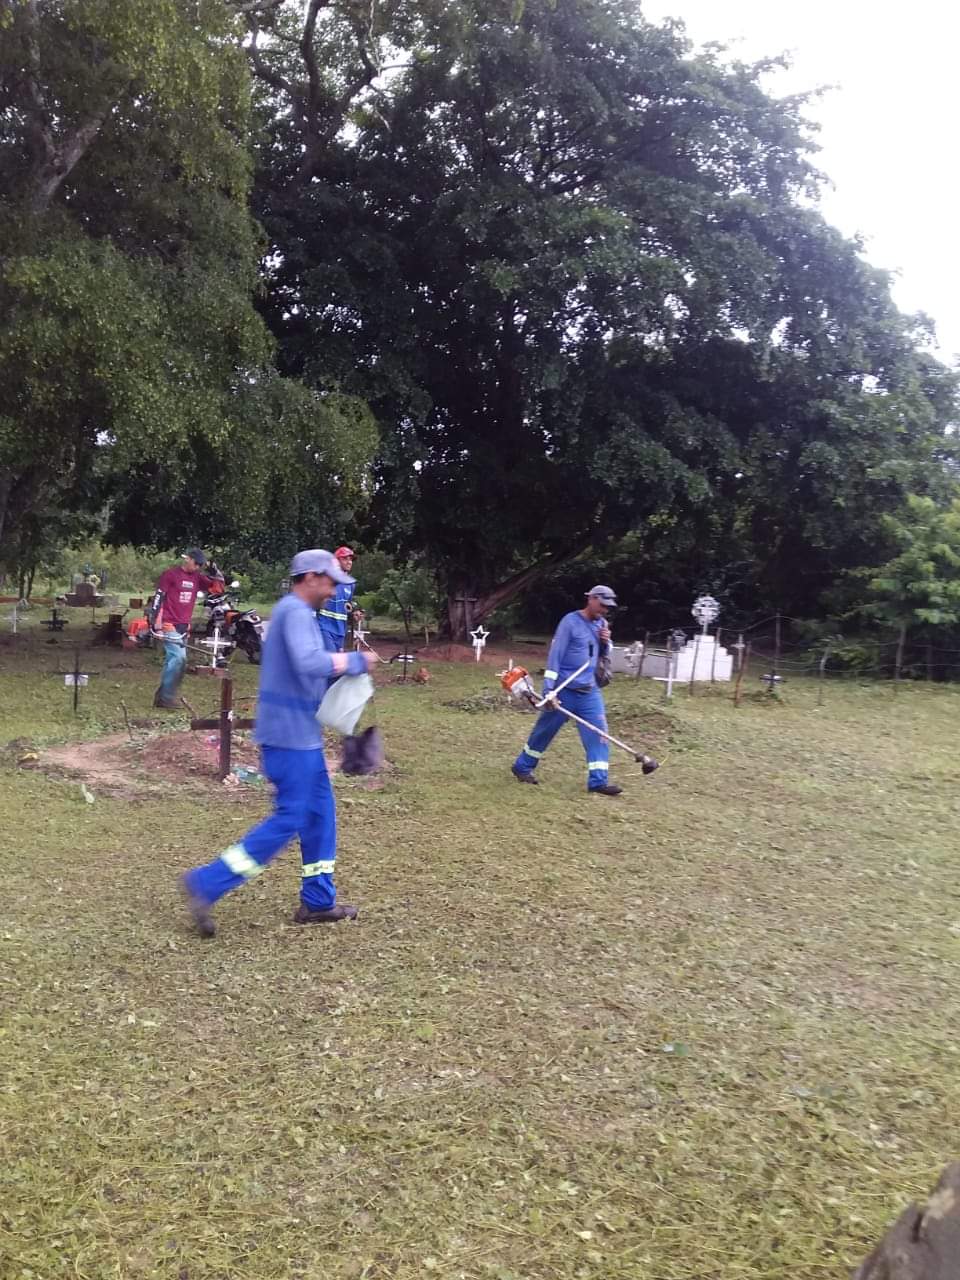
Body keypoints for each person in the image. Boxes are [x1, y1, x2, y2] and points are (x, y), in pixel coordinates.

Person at [181, 549, 377, 937]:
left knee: (320, 813)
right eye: (331, 580)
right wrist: (354, 663)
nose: (335, 588)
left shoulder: (301, 614)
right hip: (289, 738)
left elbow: (307, 671)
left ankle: (318, 901)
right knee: (292, 817)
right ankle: (206, 883)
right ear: (311, 577)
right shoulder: (294, 612)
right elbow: (309, 662)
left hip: (301, 733)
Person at [511, 585, 623, 796]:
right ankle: (522, 767)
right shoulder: (569, 622)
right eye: (602, 605)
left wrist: (605, 642)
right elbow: (555, 657)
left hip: (589, 691)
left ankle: (598, 781)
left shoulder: (602, 624)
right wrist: (549, 689)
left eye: (608, 607)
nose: (605, 610)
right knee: (544, 731)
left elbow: (603, 654)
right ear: (591, 599)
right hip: (563, 690)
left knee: (599, 733)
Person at [151, 548, 224, 708]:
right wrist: (155, 624)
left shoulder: (197, 577)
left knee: (174, 661)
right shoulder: (170, 575)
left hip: (184, 626)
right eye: (195, 563)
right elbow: (158, 598)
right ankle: (166, 698)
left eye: (200, 565)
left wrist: (216, 573)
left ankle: (162, 696)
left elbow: (217, 589)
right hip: (168, 623)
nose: (197, 567)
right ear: (188, 559)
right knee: (179, 658)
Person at [316, 545, 356, 652]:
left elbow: (347, 605)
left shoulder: (350, 583)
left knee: (337, 666)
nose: (349, 562)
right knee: (331, 663)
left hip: (340, 632)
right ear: (336, 561)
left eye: (351, 559)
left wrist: (354, 612)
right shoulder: (327, 579)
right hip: (325, 628)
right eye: (345, 558)